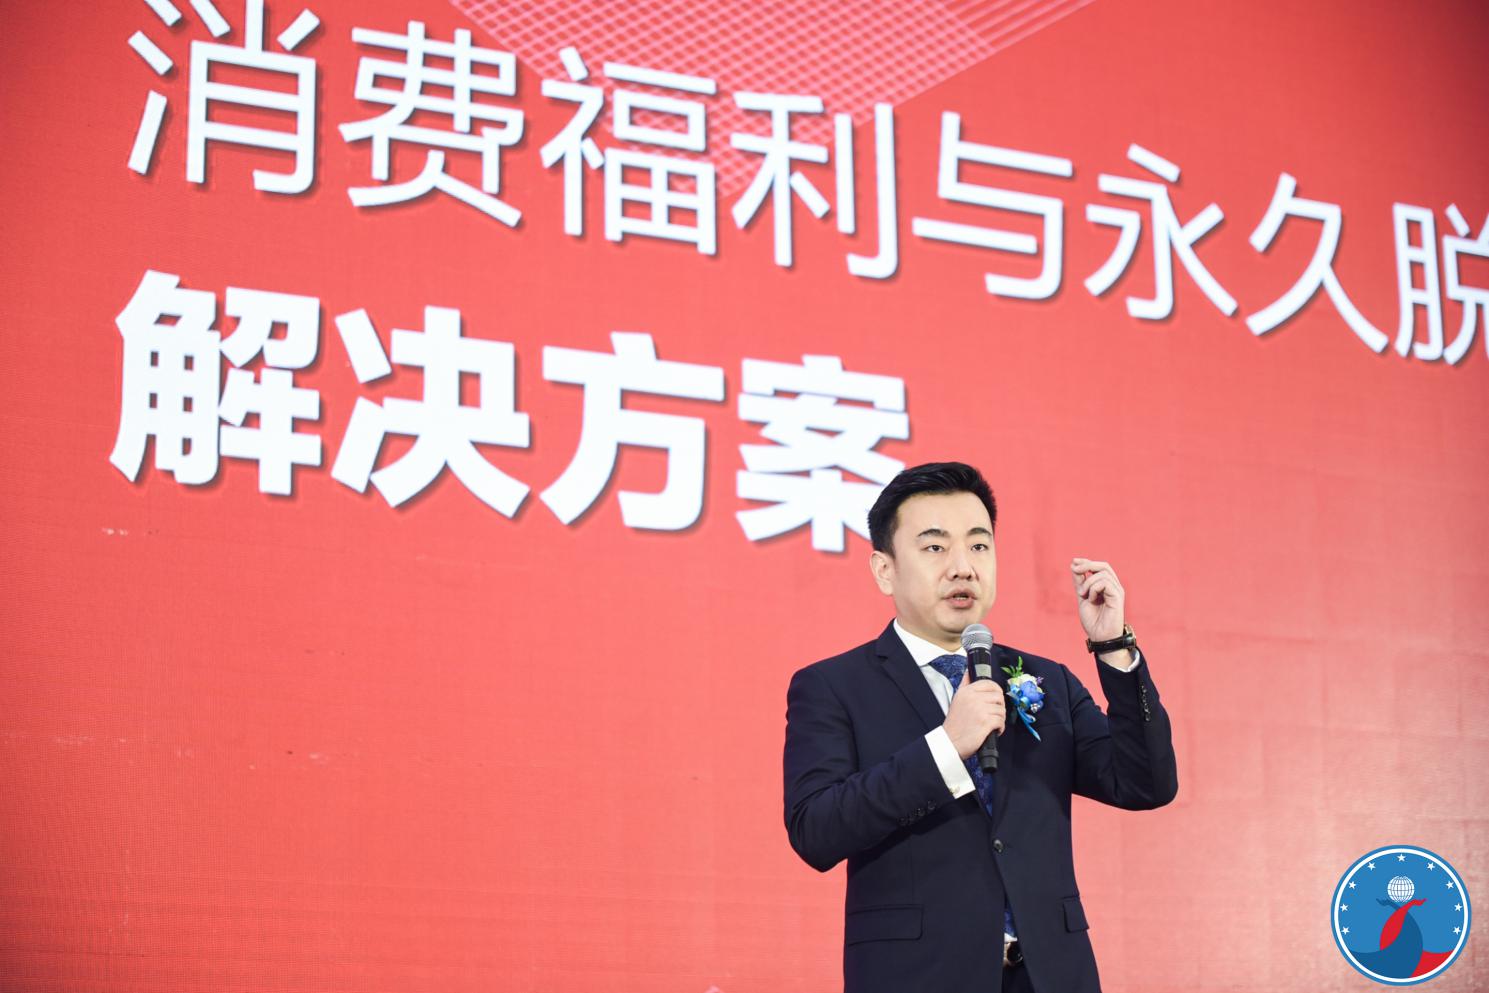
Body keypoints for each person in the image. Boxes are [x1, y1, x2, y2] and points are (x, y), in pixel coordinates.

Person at [783, 461, 1177, 993]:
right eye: (934, 547)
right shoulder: (834, 686)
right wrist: (946, 747)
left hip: (1051, 977)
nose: (963, 567)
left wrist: (1113, 648)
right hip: (917, 978)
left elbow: (1145, 784)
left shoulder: (1047, 680)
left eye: (978, 545)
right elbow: (816, 830)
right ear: (884, 570)